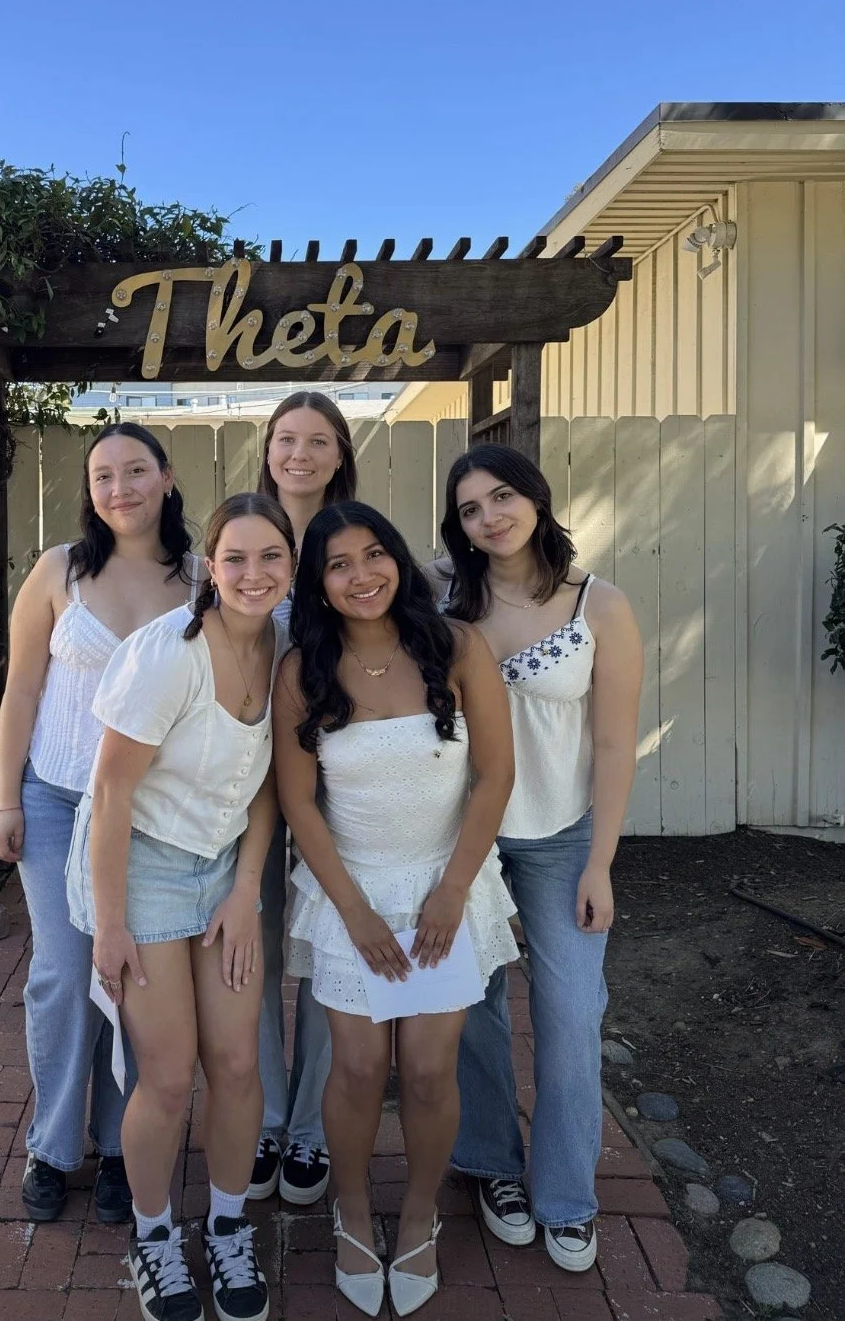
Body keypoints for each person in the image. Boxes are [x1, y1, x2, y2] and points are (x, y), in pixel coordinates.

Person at [275, 502, 518, 1317]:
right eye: (338, 564)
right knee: (353, 1069)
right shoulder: (302, 669)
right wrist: (354, 911)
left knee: (425, 1070)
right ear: (318, 583)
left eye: (374, 554)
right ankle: (350, 1212)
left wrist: (452, 889)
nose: (361, 576)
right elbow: (298, 802)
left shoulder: (457, 647)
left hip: (445, 889)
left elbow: (495, 774)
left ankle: (417, 1217)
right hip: (350, 894)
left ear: (398, 559)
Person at [66, 492, 296, 1321]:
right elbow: (111, 793)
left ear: (291, 565)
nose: (253, 574)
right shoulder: (170, 654)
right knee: (167, 1078)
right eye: (235, 558)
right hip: (144, 868)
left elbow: (268, 781)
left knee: (236, 1065)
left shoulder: (284, 646)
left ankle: (228, 1226)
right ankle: (155, 1234)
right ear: (209, 566)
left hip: (224, 867)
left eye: (271, 557)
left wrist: (245, 888)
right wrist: (111, 924)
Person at [427, 443, 642, 1274]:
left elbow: (615, 743)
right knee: (474, 1009)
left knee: (572, 1014)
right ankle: (490, 1165)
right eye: (470, 509)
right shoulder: (447, 598)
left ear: (537, 498)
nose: (490, 517)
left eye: (502, 497)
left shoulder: (600, 605)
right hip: (465, 837)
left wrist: (601, 863)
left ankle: (566, 1196)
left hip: (563, 837)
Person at [0, 422, 201, 1226]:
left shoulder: (200, 579)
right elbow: (21, 690)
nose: (121, 488)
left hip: (147, 814)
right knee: (63, 971)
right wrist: (7, 800)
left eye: (136, 470)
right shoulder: (59, 572)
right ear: (90, 489)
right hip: (55, 800)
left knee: (131, 974)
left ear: (166, 478)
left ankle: (119, 1145)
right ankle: (51, 1147)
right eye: (104, 475)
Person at [250, 391, 357, 1209]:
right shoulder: (244, 533)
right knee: (249, 945)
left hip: (336, 773)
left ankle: (311, 1128)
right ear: (268, 449)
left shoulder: (352, 542)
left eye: (318, 440)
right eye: (287, 438)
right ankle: (262, 1116)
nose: (300, 454)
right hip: (243, 776)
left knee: (326, 942)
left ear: (340, 453)